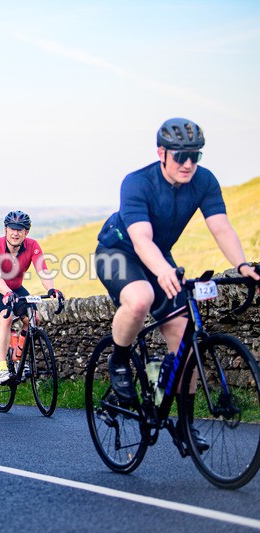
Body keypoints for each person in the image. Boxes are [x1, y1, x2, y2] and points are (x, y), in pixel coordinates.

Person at [94, 117, 259, 450]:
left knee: (184, 336)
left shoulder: (204, 181)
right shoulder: (137, 183)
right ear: (161, 153)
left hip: (158, 254)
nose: (188, 164)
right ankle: (119, 360)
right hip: (117, 252)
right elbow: (141, 239)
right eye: (180, 156)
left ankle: (184, 425)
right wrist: (162, 271)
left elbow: (221, 227)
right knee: (140, 298)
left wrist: (241, 264)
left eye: (194, 156)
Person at [0, 211, 63, 385]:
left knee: (34, 318)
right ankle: (2, 369)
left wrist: (51, 289)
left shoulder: (32, 246)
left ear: (26, 232)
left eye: (20, 230)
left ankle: (18, 357)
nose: (15, 233)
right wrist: (7, 293)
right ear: (6, 229)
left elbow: (43, 270)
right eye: (12, 229)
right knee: (6, 317)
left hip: (15, 287)